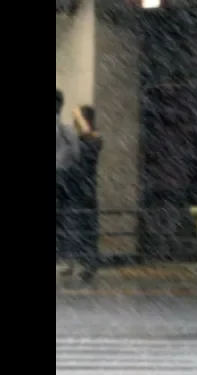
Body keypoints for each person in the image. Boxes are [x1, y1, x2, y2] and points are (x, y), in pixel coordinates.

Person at [71, 105, 103, 282]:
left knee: (87, 228)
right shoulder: (81, 140)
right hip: (78, 189)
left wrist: (79, 117)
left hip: (85, 191)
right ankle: (79, 262)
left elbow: (88, 133)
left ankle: (90, 264)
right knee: (78, 227)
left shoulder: (94, 140)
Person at [56, 89, 81, 274]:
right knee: (66, 219)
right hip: (64, 177)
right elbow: (76, 154)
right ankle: (68, 259)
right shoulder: (68, 130)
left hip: (61, 176)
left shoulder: (64, 130)